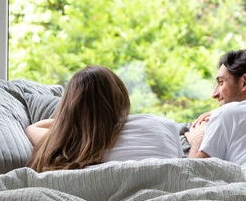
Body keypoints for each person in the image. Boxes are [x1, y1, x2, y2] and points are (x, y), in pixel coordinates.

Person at [26, 65, 183, 172]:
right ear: (121, 96)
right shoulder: (164, 125)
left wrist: (71, 120)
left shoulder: (71, 143)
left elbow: (32, 129)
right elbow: (183, 169)